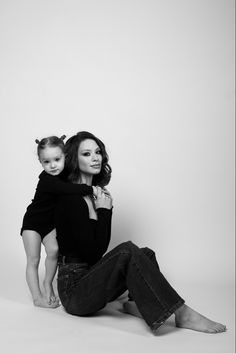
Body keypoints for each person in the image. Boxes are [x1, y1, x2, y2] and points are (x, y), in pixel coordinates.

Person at [55, 131, 226, 334]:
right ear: (74, 159)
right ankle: (182, 313)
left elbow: (97, 249)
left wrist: (103, 209)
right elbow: (92, 253)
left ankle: (136, 304)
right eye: (86, 153)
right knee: (127, 250)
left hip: (91, 277)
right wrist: (103, 212)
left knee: (146, 254)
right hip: (74, 292)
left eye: (98, 152)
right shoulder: (70, 198)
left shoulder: (98, 195)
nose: (95, 158)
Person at [21, 135, 99, 308]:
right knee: (33, 259)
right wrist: (91, 189)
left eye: (57, 159)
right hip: (32, 224)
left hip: (49, 224)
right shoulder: (47, 180)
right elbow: (67, 189)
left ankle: (47, 284)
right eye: (46, 162)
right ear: (41, 163)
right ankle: (37, 298)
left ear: (65, 156)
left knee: (54, 251)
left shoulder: (65, 174)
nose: (53, 165)